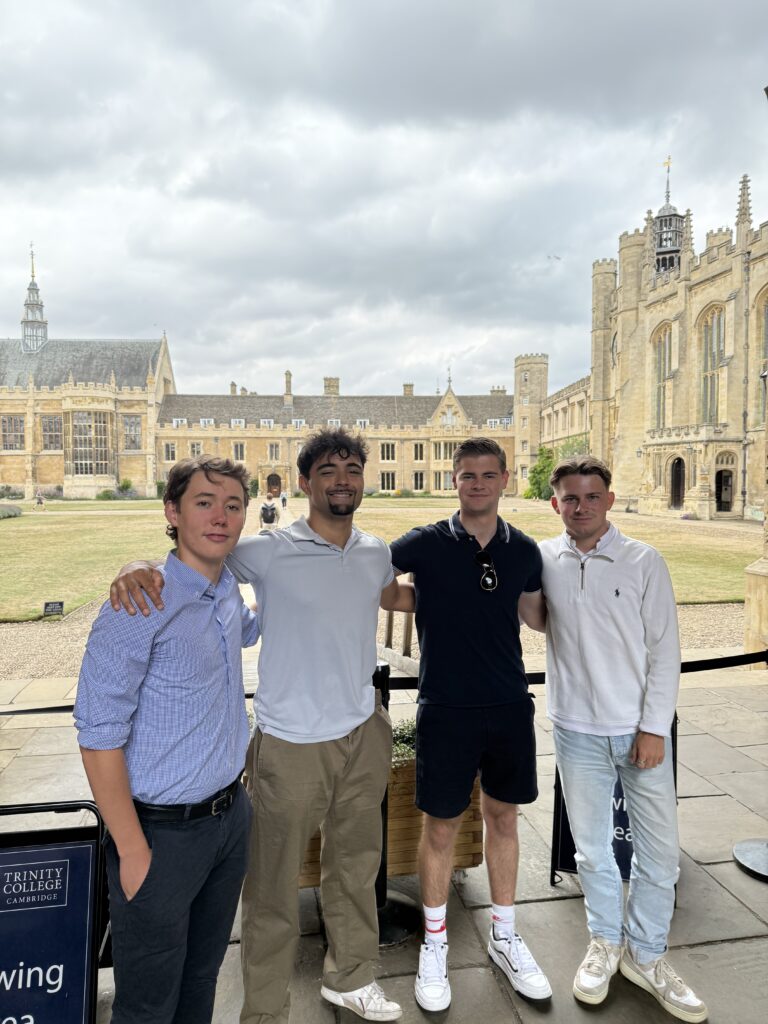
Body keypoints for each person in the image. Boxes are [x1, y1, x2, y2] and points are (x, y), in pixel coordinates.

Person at [108, 429, 410, 1024]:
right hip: (291, 742)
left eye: (352, 468)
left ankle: (350, 977)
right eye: (328, 470)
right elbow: (198, 556)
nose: (342, 479)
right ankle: (266, 1012)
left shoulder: (376, 551)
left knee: (356, 867)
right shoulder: (268, 549)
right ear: (305, 482)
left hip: (362, 731)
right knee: (272, 890)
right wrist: (136, 563)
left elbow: (387, 595)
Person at [74, 455, 259, 1024]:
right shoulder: (139, 603)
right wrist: (131, 849)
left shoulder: (227, 591)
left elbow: (256, 627)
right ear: (172, 512)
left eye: (233, 505)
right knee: (148, 1002)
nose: (221, 518)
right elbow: (98, 735)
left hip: (229, 819)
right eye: (204, 503)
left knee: (201, 978)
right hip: (160, 834)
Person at [541, 455, 707, 1023]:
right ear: (555, 502)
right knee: (592, 851)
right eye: (569, 497)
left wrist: (654, 726)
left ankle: (648, 955)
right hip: (577, 730)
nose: (580, 506)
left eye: (590, 496)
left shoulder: (643, 560)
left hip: (638, 732)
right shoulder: (545, 559)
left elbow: (665, 650)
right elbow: (531, 614)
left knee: (658, 856)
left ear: (609, 500)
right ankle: (605, 944)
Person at [390, 437, 551, 1011]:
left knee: (503, 819)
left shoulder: (525, 550)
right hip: (447, 706)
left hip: (508, 702)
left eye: (488, 474)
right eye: (467, 475)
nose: (477, 483)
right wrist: (415, 598)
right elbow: (369, 574)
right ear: (452, 481)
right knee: (440, 827)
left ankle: (505, 937)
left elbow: (538, 616)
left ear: (505, 478)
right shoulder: (426, 543)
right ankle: (435, 945)